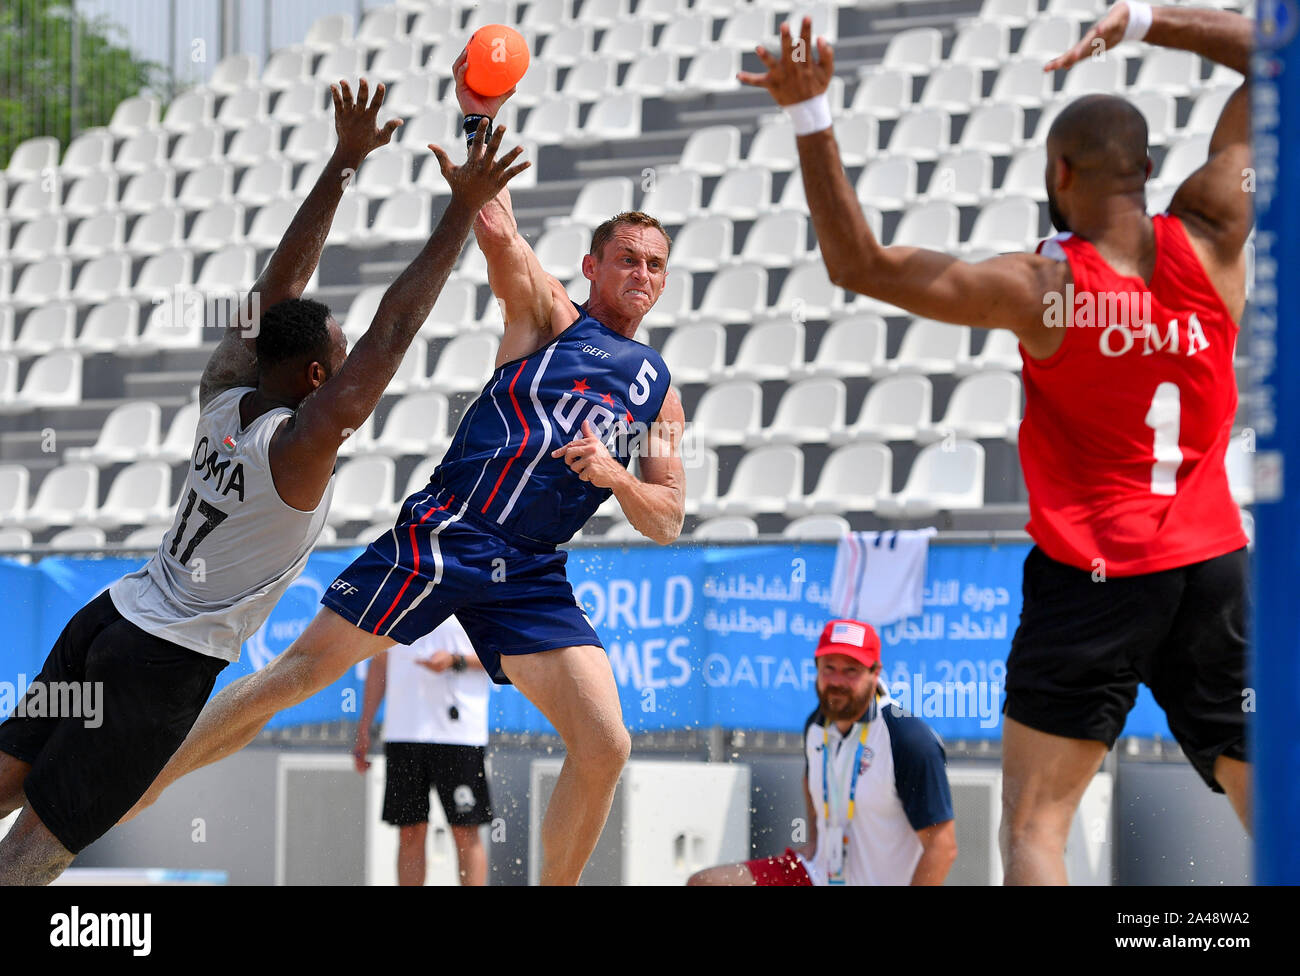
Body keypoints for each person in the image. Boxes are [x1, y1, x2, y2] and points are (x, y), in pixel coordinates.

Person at [128, 49, 687, 886]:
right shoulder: (549, 314)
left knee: (606, 744)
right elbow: (496, 228)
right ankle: (126, 785)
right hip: (448, 532)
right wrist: (478, 120)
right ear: (593, 267)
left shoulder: (660, 393)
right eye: (628, 258)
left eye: (655, 263)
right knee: (297, 677)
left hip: (529, 570)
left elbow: (668, 516)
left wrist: (618, 477)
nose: (641, 273)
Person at [741, 5, 1253, 885]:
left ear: (1058, 173)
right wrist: (1141, 23)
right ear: (1153, 170)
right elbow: (1282, 57)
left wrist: (809, 114)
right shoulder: (1214, 235)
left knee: (1036, 828)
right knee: (1271, 798)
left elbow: (859, 265)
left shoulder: (1042, 289)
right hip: (1211, 563)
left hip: (1094, 575)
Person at [0, 78, 527, 885]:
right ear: (317, 375)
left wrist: (344, 162)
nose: (353, 366)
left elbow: (279, 291)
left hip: (109, 617)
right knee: (43, 840)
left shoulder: (225, 389)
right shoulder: (302, 445)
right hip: (162, 664)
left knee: (7, 774)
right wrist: (464, 206)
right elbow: (393, 329)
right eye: (339, 359)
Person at [688, 620, 956, 886]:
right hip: (820, 875)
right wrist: (815, 839)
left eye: (851, 670)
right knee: (705, 883)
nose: (837, 681)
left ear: (875, 673)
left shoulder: (908, 739)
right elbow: (810, 780)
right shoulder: (817, 723)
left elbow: (943, 848)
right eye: (829, 668)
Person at [354, 614, 492, 886]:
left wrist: (455, 660)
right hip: (403, 731)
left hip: (460, 733)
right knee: (409, 831)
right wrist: (364, 727)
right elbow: (380, 662)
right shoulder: (400, 589)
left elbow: (498, 657)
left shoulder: (474, 586)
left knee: (465, 832)